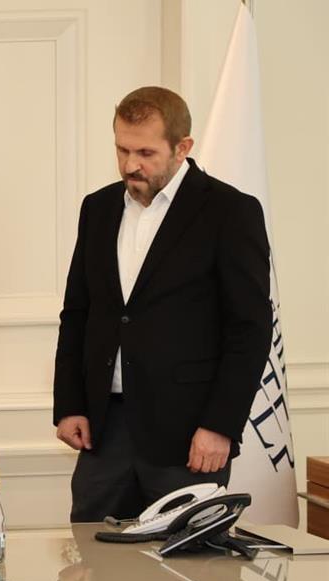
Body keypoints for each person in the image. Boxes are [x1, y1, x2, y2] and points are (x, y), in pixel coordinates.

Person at [53, 86, 271, 523]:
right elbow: (78, 313)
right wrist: (70, 403)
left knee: (189, 561)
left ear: (182, 147)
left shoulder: (230, 211)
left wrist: (221, 425)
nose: (130, 165)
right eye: (122, 149)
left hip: (189, 435)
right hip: (105, 430)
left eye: (146, 153)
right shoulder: (97, 208)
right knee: (92, 557)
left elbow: (249, 329)